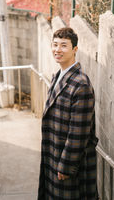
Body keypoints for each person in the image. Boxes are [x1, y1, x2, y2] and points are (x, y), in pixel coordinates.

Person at [38, 27, 98, 200]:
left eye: (64, 46)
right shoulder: (57, 76)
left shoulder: (81, 84)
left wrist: (66, 166)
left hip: (69, 166)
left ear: (75, 50)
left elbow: (78, 133)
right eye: (55, 45)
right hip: (53, 156)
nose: (58, 50)